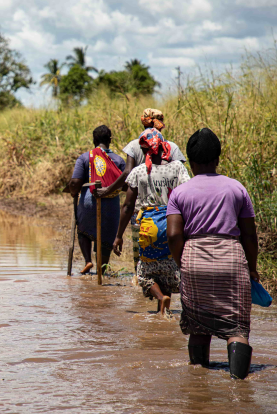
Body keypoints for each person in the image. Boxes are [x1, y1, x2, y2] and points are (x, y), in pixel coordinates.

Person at [166, 127, 258, 380]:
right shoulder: (236, 188)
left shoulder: (180, 193)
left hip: (194, 257)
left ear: (191, 161)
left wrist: (182, 261)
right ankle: (239, 386)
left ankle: (198, 384)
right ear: (218, 158)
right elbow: (249, 235)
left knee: (197, 324)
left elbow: (174, 235)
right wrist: (252, 266)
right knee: (236, 327)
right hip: (231, 257)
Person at [95, 108, 186, 272]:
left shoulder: (135, 145)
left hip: (142, 211)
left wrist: (108, 189)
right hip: (170, 212)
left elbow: (128, 174)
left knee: (141, 254)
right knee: (169, 255)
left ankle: (142, 281)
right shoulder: (172, 147)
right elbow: (182, 181)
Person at [112, 128, 190, 315]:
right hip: (173, 223)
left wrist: (118, 236)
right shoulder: (177, 167)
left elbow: (128, 206)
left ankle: (161, 298)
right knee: (171, 263)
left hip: (148, 226)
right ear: (164, 147)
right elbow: (188, 195)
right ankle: (170, 303)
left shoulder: (139, 171)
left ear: (145, 150)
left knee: (145, 271)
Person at [69, 125, 126, 274]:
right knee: (106, 235)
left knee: (83, 231)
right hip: (110, 206)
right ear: (110, 140)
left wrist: (73, 192)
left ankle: (88, 261)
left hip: (89, 203)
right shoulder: (118, 160)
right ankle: (102, 267)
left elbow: (75, 183)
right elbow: (126, 184)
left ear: (94, 140)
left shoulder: (85, 158)